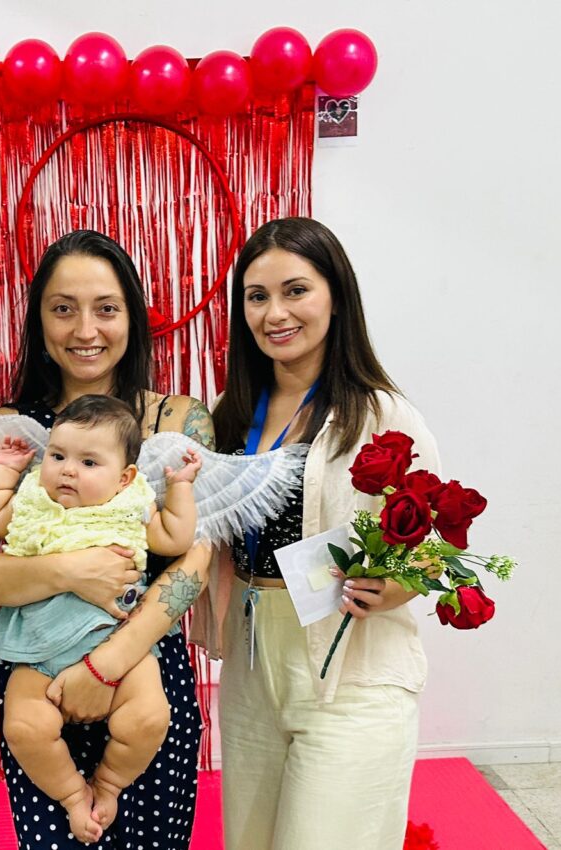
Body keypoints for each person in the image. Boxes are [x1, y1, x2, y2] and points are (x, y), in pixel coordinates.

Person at [0, 229, 214, 849]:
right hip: (38, 679)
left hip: (144, 676)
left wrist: (107, 664)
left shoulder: (177, 421)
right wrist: (71, 572)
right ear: (39, 321)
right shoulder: (8, 434)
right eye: (63, 308)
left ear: (133, 318)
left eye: (106, 308)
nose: (85, 329)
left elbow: (195, 559)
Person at [195, 217, 439, 849]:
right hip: (251, 658)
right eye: (257, 296)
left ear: (336, 295)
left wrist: (396, 585)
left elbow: (437, 544)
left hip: (351, 666)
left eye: (296, 290)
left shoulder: (383, 413)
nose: (275, 313)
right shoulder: (229, 413)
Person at [0, 395, 201, 843]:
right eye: (57, 456)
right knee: (23, 727)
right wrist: (4, 470)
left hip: (121, 644)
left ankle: (109, 784)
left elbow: (178, 540)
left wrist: (179, 487)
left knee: (149, 718)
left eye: (89, 462)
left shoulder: (131, 505)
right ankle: (74, 797)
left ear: (124, 478)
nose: (68, 471)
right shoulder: (35, 499)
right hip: (38, 646)